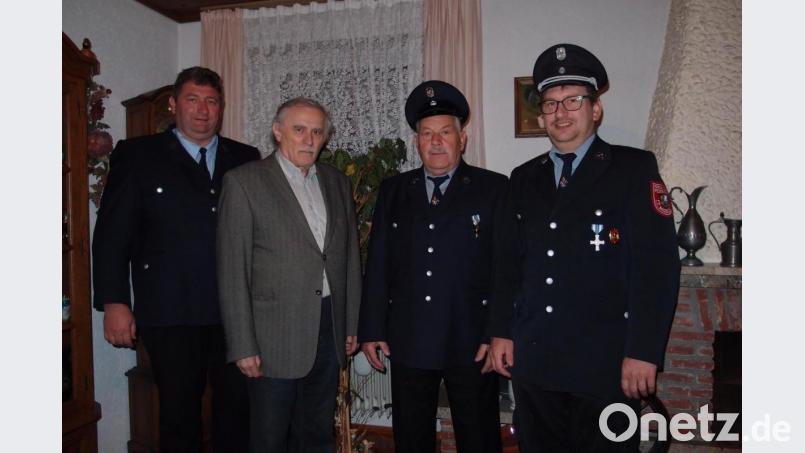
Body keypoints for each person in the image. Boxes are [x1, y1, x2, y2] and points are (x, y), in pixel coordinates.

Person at [488, 43, 680, 452]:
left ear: (596, 109)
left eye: (573, 100)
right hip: (536, 362)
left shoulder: (633, 169)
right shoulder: (523, 178)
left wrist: (644, 352)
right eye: (551, 103)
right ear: (542, 115)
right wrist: (501, 332)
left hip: (605, 365)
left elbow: (657, 268)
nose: (561, 112)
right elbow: (508, 264)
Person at [92, 66, 260, 452]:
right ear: (173, 104)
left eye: (211, 101)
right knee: (179, 417)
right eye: (192, 99)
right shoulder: (138, 155)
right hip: (170, 312)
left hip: (234, 313)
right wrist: (115, 302)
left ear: (221, 107)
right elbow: (112, 235)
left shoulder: (245, 158)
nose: (202, 110)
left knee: (237, 413)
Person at [359, 80, 506, 453]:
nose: (436, 141)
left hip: (471, 338)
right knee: (411, 437)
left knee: (479, 437)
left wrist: (497, 333)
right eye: (427, 134)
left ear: (462, 139)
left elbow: (504, 268)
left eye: (445, 132)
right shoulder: (394, 190)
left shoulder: (493, 188)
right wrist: (372, 328)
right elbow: (379, 262)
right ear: (416, 142)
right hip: (410, 337)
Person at [216, 97, 362, 453]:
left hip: (328, 328)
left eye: (317, 132)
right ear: (278, 131)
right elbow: (232, 270)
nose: (309, 140)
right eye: (299, 130)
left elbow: (349, 258)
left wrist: (350, 323)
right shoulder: (244, 182)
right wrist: (242, 345)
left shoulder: (337, 182)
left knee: (316, 435)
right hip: (271, 337)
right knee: (270, 439)